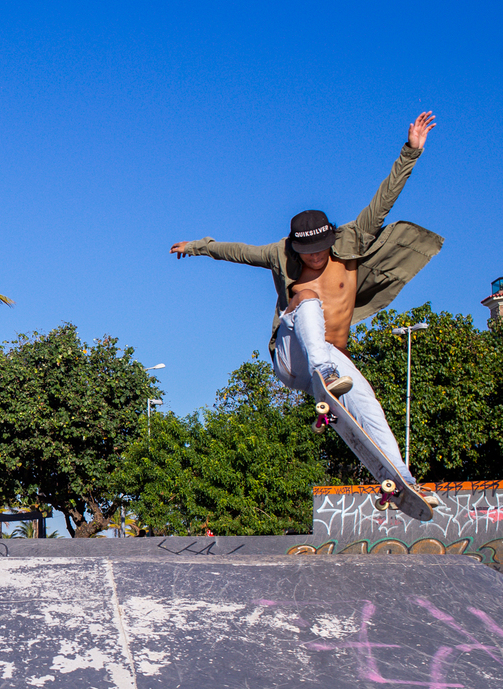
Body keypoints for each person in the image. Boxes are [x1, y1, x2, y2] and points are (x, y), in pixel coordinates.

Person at [170, 112, 443, 505]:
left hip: (332, 360)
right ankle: (326, 372)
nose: (314, 258)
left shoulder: (353, 238)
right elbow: (235, 251)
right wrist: (196, 246)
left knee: (369, 406)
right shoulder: (280, 254)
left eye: (320, 250)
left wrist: (410, 152)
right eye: (306, 252)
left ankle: (399, 476)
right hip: (293, 358)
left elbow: (384, 199)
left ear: (331, 239)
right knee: (306, 298)